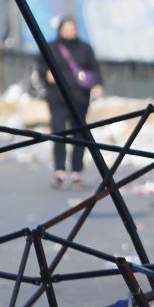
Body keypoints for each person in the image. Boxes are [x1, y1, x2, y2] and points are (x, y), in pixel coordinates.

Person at [39, 17, 105, 189]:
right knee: (58, 133)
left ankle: (77, 172)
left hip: (79, 99)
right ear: (60, 30)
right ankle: (59, 171)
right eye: (67, 29)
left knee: (80, 135)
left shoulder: (84, 48)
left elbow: (94, 68)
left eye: (73, 29)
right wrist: (46, 74)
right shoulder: (51, 47)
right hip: (57, 98)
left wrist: (98, 85)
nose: (70, 32)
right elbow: (40, 66)